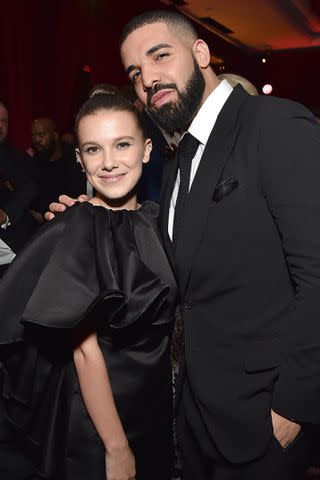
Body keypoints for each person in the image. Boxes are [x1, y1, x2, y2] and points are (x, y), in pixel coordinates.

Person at [47, 9, 320, 480]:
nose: (149, 78)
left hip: (264, 421)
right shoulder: (177, 163)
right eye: (135, 72)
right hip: (193, 422)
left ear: (199, 54)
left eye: (160, 56)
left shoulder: (273, 124)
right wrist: (88, 220)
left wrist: (295, 402)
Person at [0, 89, 177, 479]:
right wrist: (116, 447)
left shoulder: (157, 220)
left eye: (123, 145)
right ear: (79, 159)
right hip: (100, 418)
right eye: (94, 150)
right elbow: (84, 351)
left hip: (154, 406)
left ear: (147, 150)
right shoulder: (79, 225)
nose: (110, 162)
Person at [0, 101, 38, 276]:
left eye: (4, 121)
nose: (0, 126)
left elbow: (29, 189)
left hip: (14, 253)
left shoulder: (17, 158)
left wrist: (5, 215)